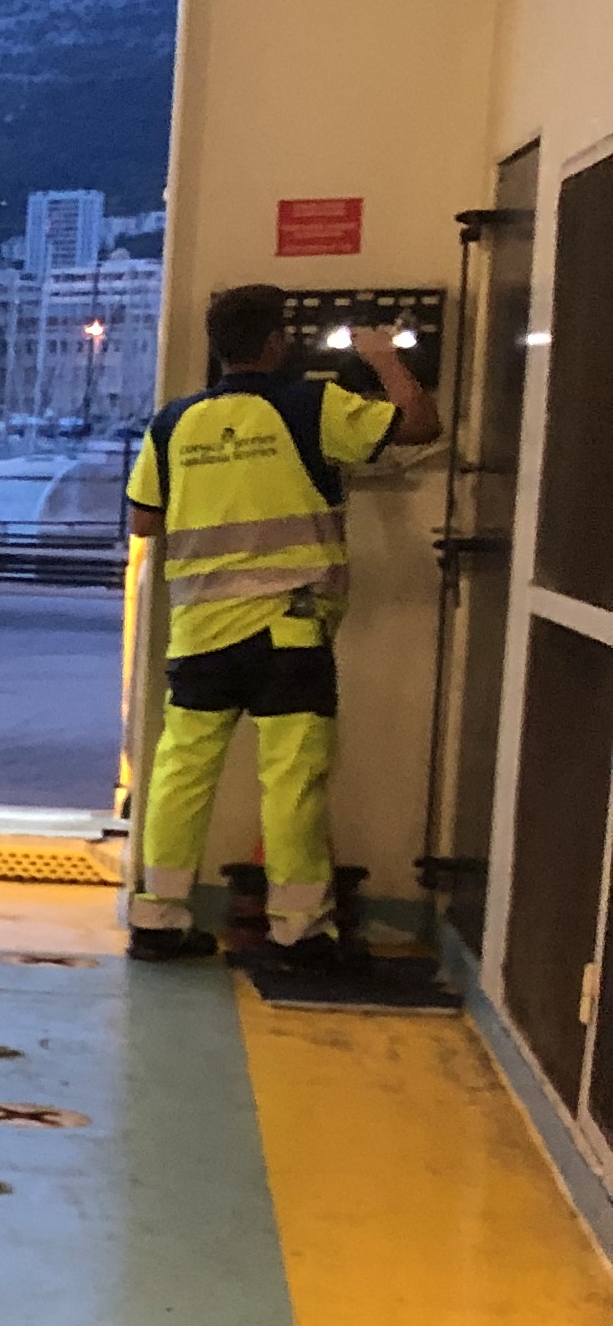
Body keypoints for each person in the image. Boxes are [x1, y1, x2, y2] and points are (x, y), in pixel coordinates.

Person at [124, 284, 438, 968]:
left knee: (181, 774)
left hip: (201, 633)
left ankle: (157, 921)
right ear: (275, 342)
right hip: (288, 632)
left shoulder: (173, 423)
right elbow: (419, 427)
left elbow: (144, 521)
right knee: (292, 781)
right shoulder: (313, 405)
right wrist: (384, 358)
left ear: (217, 348)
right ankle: (300, 934)